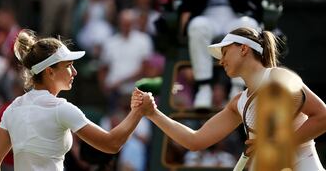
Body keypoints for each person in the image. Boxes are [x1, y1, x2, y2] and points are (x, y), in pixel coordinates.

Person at [135, 27, 326, 170]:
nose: (221, 61)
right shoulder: (238, 103)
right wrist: (152, 113)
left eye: (225, 52)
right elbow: (194, 141)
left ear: (243, 49)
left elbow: (323, 117)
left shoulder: (278, 79)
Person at [0, 29, 149, 171]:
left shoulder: (12, 109)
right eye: (68, 65)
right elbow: (111, 144)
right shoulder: (61, 109)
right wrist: (138, 111)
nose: (75, 72)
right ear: (50, 72)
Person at [166, 0, 281, 108]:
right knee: (197, 26)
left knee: (248, 26)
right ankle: (204, 88)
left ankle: (238, 89)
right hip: (207, 14)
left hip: (237, 14)